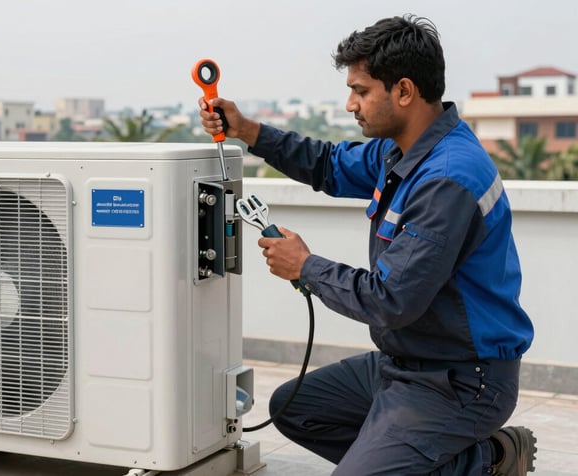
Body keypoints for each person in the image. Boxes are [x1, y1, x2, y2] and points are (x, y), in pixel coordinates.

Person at [199, 14, 536, 476]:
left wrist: (305, 266)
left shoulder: (447, 178)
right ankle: (457, 456)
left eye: (360, 91)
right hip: (404, 365)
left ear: (403, 91)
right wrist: (248, 130)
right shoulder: (400, 150)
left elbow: (391, 301)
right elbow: (328, 164)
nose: (350, 104)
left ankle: (489, 459)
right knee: (294, 408)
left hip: (462, 381)